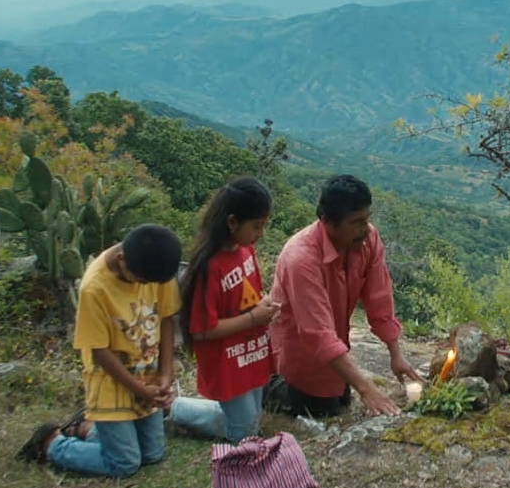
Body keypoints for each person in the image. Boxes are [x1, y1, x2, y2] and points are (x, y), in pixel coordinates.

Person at [17, 224, 183, 477]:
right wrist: (141, 390)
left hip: (146, 374)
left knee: (152, 455)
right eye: (140, 281)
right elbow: (99, 351)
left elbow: (167, 318)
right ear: (121, 259)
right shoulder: (94, 288)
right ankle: (52, 443)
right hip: (110, 382)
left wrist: (165, 374)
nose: (144, 285)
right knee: (124, 464)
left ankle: (86, 428)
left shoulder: (154, 267)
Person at [267, 174, 422, 417]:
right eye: (356, 222)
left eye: (367, 219)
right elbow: (317, 335)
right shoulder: (301, 259)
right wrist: (367, 389)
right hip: (299, 355)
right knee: (323, 409)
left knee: (339, 402)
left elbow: (379, 301)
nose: (366, 229)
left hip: (333, 352)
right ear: (328, 222)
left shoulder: (367, 240)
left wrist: (396, 355)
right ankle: (265, 385)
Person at [176, 177, 281, 443]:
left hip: (250, 352)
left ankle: (174, 408)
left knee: (251, 418)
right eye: (256, 226)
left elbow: (250, 296)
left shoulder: (246, 250)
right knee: (246, 432)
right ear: (232, 222)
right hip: (227, 361)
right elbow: (201, 330)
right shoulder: (209, 267)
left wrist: (262, 305)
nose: (261, 233)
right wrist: (253, 318)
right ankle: (176, 411)